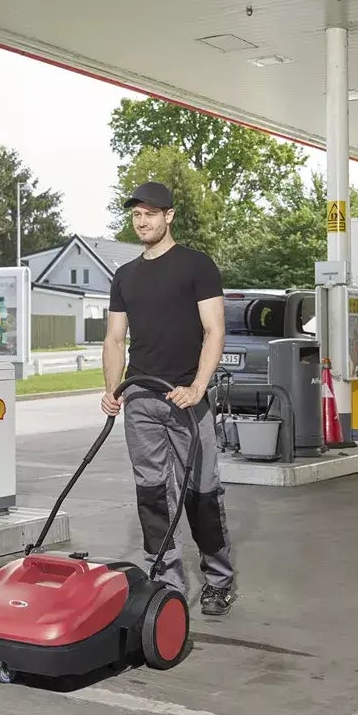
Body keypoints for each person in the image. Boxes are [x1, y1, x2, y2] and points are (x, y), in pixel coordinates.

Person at [100, 181, 239, 616]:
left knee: (201, 492)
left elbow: (214, 330)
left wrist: (198, 387)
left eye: (150, 213)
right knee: (153, 493)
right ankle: (165, 583)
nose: (142, 221)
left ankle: (219, 580)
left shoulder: (196, 265)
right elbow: (115, 337)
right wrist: (111, 389)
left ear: (169, 216)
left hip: (186, 398)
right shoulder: (125, 275)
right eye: (137, 215)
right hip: (141, 397)